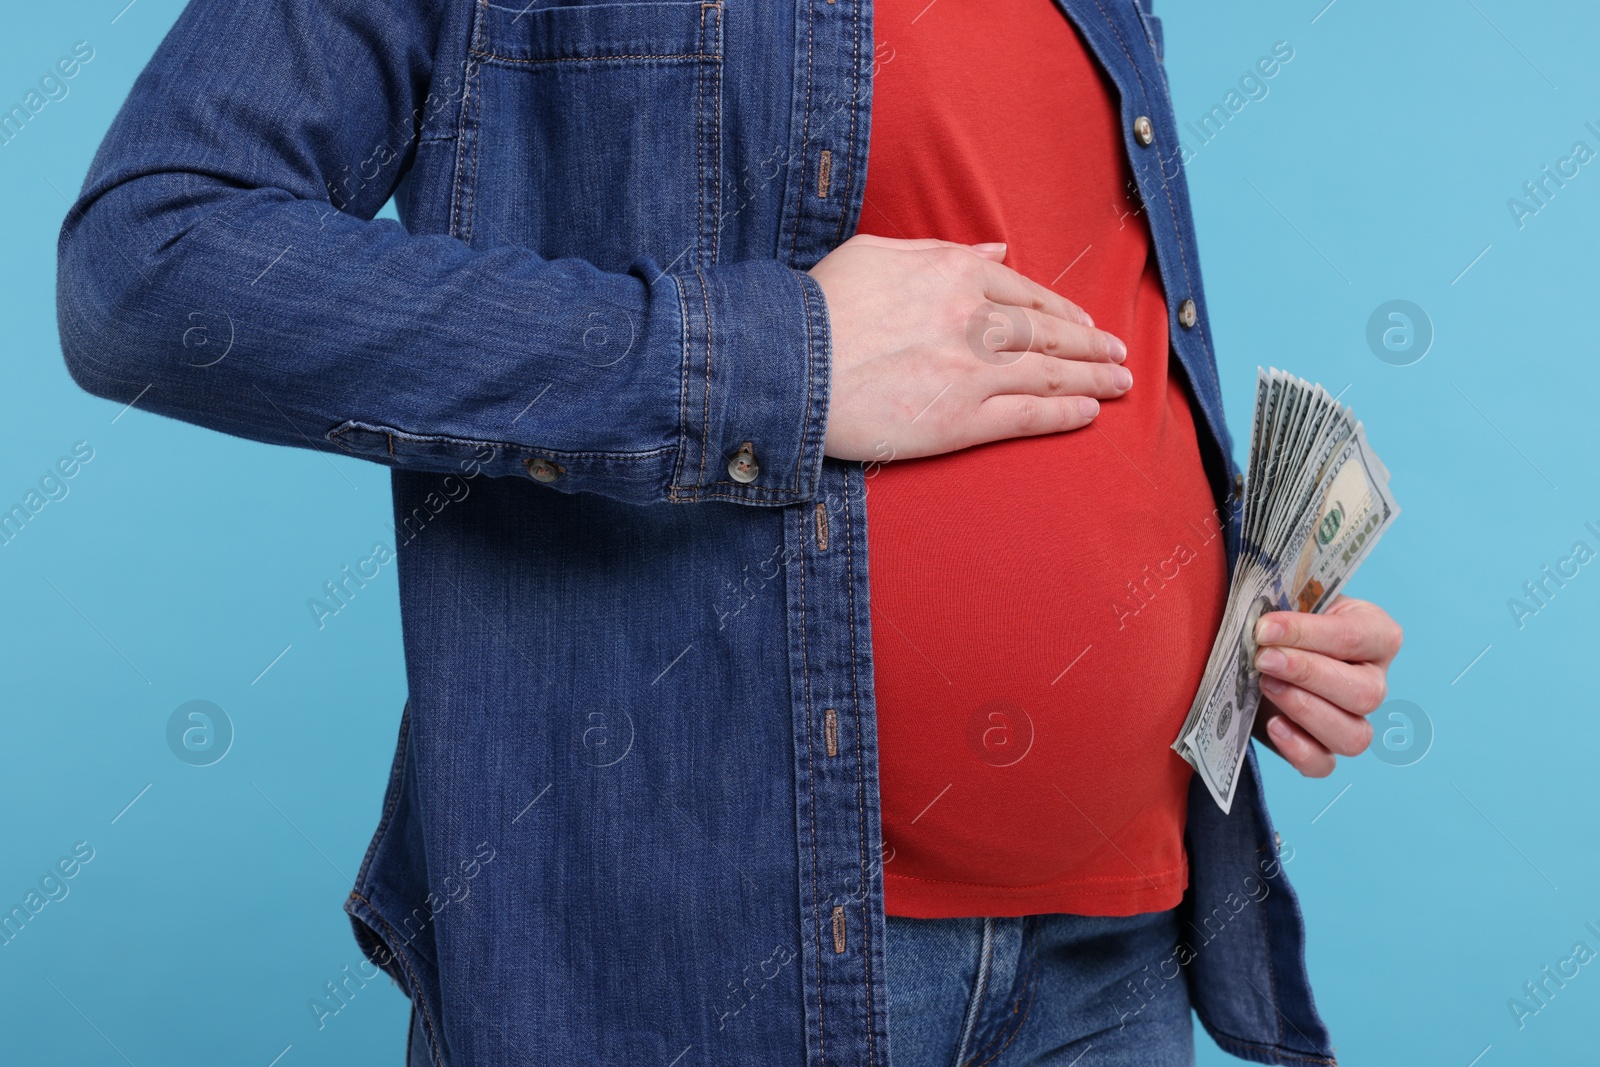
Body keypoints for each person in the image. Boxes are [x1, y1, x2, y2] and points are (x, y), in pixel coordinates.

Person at [56, 0, 1400, 1063]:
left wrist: (1225, 602)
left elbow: (1072, 323)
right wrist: (774, 354)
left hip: (1116, 949)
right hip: (713, 960)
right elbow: (154, 262)